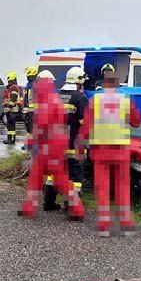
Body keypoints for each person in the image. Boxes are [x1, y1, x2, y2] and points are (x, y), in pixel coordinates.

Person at [79, 70, 141, 236]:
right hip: (120, 150)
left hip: (101, 150)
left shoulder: (94, 101)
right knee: (122, 187)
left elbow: (86, 128)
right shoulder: (126, 100)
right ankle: (126, 225)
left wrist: (81, 146)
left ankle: (104, 225)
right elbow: (136, 122)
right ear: (118, 84)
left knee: (103, 187)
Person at [19, 71, 84, 220]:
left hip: (47, 149)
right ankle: (76, 210)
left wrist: (32, 141)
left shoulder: (46, 104)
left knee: (40, 180)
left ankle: (30, 209)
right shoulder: (54, 103)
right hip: (53, 149)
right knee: (58, 181)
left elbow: (41, 128)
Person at [52, 66, 90, 211]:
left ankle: (49, 203)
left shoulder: (56, 95)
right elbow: (84, 123)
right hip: (74, 143)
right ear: (78, 81)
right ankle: (71, 206)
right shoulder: (80, 98)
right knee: (76, 176)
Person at [2, 71, 23, 145]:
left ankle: (10, 139)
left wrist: (9, 107)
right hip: (12, 109)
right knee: (10, 125)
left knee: (11, 125)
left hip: (13, 109)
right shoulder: (12, 87)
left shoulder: (13, 88)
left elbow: (13, 98)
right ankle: (11, 139)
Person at [23, 66, 39, 135]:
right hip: (31, 111)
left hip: (33, 111)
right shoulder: (30, 85)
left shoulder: (32, 85)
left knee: (32, 129)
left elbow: (27, 99)